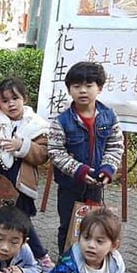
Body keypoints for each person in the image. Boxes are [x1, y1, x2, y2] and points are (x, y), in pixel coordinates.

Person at [0, 78, 52, 271]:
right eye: (5, 100)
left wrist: (22, 146)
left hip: (20, 186)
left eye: (15, 98)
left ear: (24, 98)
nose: (11, 103)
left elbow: (43, 154)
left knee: (21, 222)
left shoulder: (37, 126)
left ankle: (40, 256)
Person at [47, 61, 123, 255]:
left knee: (94, 227)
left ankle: (92, 264)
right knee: (68, 226)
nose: (83, 91)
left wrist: (108, 169)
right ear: (69, 90)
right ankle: (65, 265)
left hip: (96, 186)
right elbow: (55, 151)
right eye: (77, 86)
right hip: (69, 186)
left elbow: (115, 146)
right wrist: (79, 170)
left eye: (89, 86)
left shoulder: (109, 116)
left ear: (100, 88)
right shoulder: (61, 121)